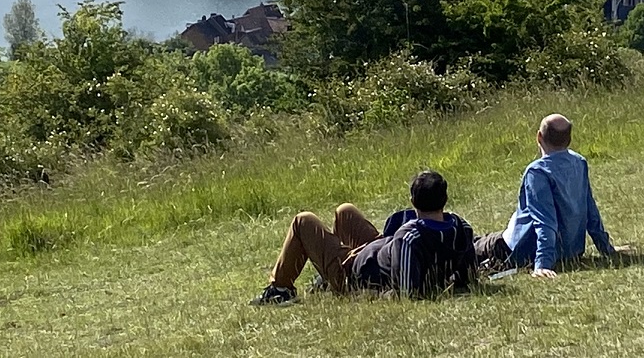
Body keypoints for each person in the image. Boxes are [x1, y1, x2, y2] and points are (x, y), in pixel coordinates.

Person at [251, 170, 475, 304]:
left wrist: (362, 294)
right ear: (444, 199)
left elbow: (406, 294)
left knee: (303, 220)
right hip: (378, 250)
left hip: (352, 273)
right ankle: (324, 280)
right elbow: (469, 275)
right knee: (345, 211)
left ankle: (280, 289)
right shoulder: (460, 227)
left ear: (413, 201)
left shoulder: (409, 237)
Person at [475, 113, 617, 279]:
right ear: (569, 139)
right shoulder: (579, 162)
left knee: (473, 246)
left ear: (539, 137)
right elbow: (590, 211)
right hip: (570, 251)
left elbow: (545, 221)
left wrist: (542, 264)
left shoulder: (537, 172)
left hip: (520, 249)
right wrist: (606, 248)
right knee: (478, 239)